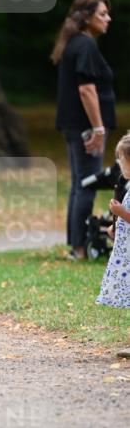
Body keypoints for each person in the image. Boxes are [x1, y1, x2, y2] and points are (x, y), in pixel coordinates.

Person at [52, 0, 116, 260]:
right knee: (87, 184)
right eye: (102, 14)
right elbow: (87, 91)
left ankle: (77, 246)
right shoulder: (86, 46)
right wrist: (98, 128)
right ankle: (80, 248)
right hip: (85, 127)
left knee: (80, 183)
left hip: (73, 125)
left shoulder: (74, 43)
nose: (108, 19)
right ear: (87, 18)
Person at [96, 132, 130, 309]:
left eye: (121, 161)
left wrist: (120, 212)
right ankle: (118, 298)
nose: (119, 165)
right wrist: (115, 225)